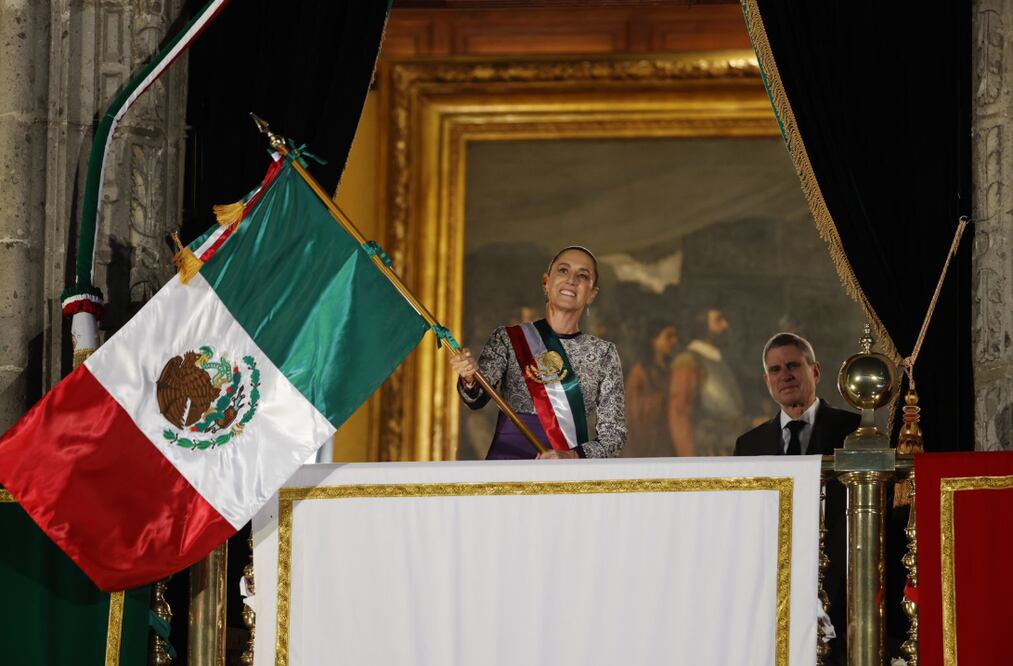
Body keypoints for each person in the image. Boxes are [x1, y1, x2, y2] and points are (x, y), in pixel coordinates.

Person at [735, 332, 859, 665]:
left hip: (846, 587)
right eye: (775, 370)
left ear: (814, 371)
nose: (785, 375)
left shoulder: (855, 431)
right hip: (779, 588)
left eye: (793, 365)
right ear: (767, 381)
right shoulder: (749, 446)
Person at [451, 246, 626, 459]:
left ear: (591, 294)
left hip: (566, 473)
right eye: (563, 270)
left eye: (582, 275)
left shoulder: (603, 353)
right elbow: (476, 397)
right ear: (546, 282)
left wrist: (570, 456)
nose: (571, 280)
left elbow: (614, 437)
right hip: (508, 467)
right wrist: (469, 376)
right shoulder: (507, 339)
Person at [668, 308, 744, 456]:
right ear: (702, 326)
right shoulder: (688, 360)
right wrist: (688, 459)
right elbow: (679, 415)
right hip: (705, 449)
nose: (725, 325)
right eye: (718, 320)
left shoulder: (717, 360)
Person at [623, 320, 679, 457]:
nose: (674, 341)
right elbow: (632, 410)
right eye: (669, 336)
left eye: (675, 336)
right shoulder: (640, 371)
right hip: (649, 443)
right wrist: (662, 399)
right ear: (654, 341)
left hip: (671, 439)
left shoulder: (674, 368)